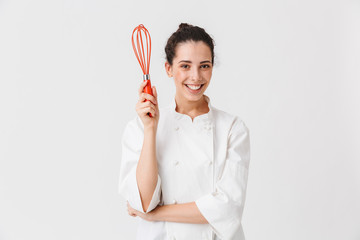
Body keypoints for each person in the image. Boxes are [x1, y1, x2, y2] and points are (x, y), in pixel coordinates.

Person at [118, 23, 251, 240]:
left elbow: (227, 208)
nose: (196, 76)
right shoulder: (139, 128)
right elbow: (143, 201)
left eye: (205, 66)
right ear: (169, 69)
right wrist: (151, 129)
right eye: (185, 66)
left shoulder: (232, 129)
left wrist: (155, 214)